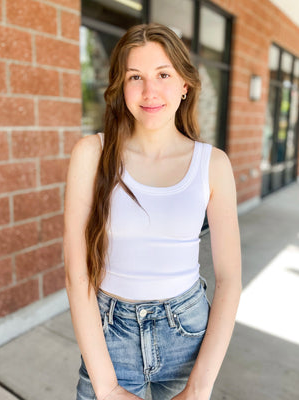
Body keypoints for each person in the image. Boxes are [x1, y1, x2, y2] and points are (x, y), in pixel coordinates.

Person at [63, 23, 242, 400]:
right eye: (135, 77)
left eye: (163, 74)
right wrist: (107, 386)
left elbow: (229, 280)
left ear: (184, 84)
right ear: (120, 86)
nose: (149, 91)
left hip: (186, 336)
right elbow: (76, 275)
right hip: (109, 334)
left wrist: (199, 388)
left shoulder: (213, 164)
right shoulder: (91, 154)